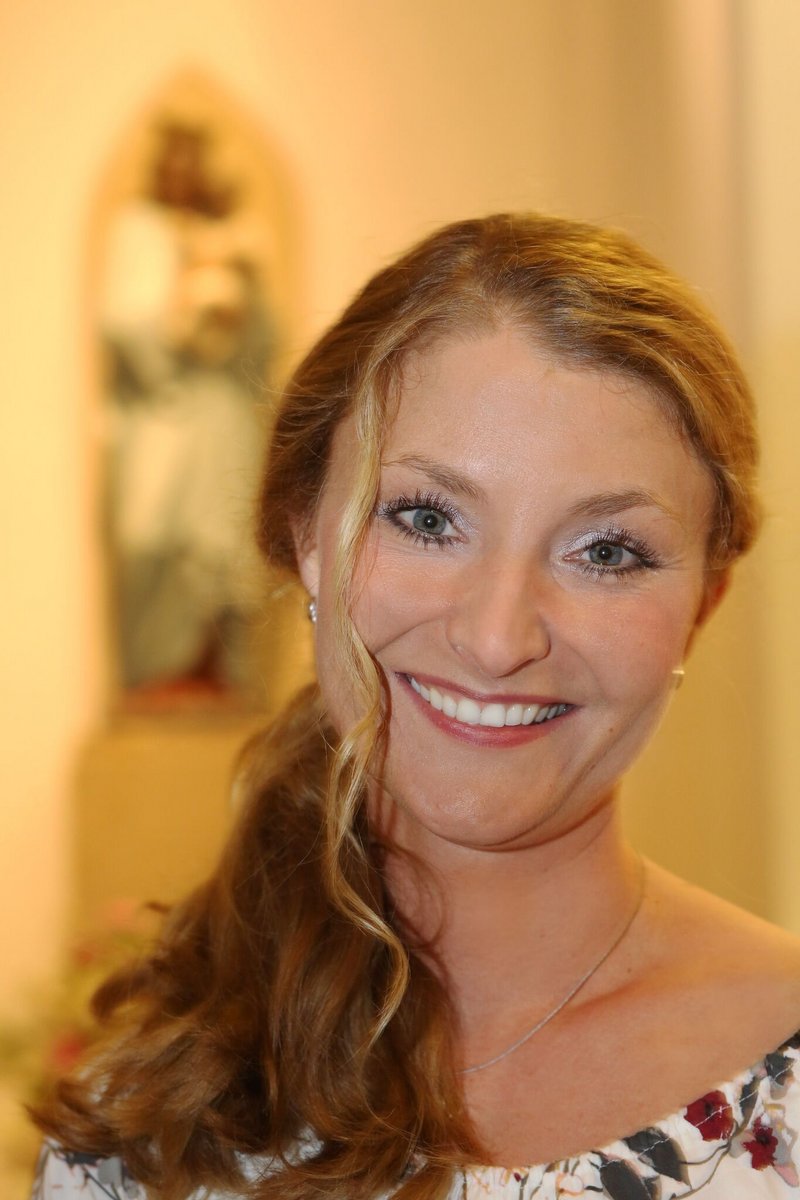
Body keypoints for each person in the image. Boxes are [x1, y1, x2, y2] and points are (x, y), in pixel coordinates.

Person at [31, 213, 800, 1199]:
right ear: (307, 534)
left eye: (606, 551)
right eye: (427, 519)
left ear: (703, 603)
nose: (497, 638)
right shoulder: (146, 1107)